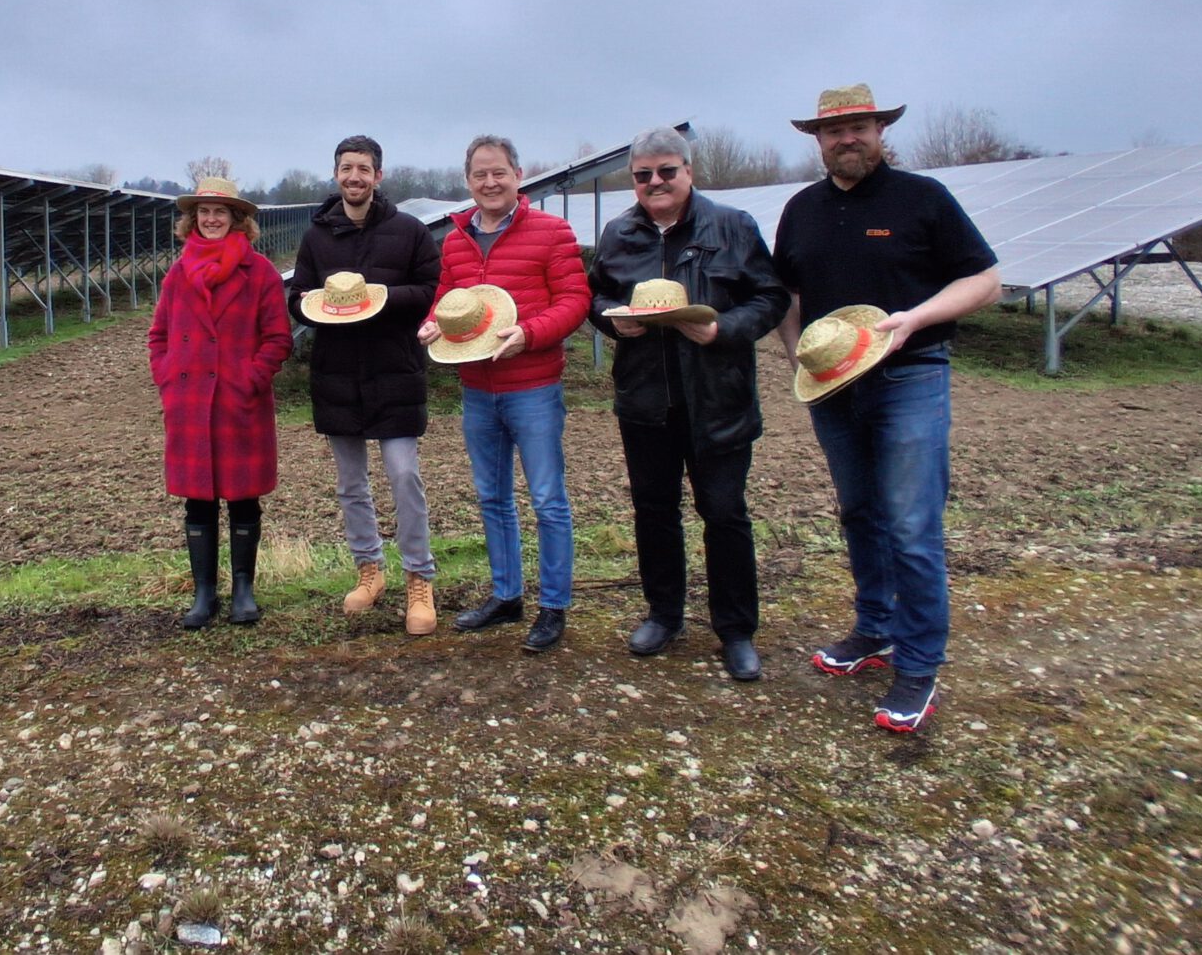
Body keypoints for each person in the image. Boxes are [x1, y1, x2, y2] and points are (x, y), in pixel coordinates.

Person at [773, 85, 1001, 732]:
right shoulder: (803, 209)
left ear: (879, 131)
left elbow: (986, 280)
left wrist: (917, 319)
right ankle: (875, 628)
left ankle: (919, 661)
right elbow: (787, 290)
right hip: (835, 384)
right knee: (860, 511)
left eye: (859, 126)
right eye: (834, 130)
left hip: (909, 374)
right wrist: (796, 352)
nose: (847, 138)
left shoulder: (921, 199)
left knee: (910, 523)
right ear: (818, 140)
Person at [586, 126, 789, 679]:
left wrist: (724, 328)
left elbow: (770, 297)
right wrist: (613, 322)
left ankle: (736, 629)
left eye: (666, 171)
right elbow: (596, 295)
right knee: (654, 512)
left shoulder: (731, 227)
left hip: (717, 399)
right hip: (645, 400)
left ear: (689, 172)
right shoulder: (619, 233)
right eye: (643, 175)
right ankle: (665, 613)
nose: (655, 182)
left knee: (723, 514)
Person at [418, 134, 590, 653]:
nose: (490, 183)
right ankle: (506, 595)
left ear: (518, 175)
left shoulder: (552, 232)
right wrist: (431, 324)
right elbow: (448, 301)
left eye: (499, 173)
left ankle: (554, 604)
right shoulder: (455, 241)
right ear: (467, 181)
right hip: (477, 389)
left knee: (546, 499)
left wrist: (530, 334)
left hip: (533, 386)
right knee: (492, 496)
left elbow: (576, 299)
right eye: (479, 175)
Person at [287, 134, 443, 635]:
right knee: (351, 484)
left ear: (379, 176)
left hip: (394, 367)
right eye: (345, 168)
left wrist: (377, 300)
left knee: (403, 475)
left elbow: (429, 290)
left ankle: (419, 577)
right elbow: (298, 297)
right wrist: (317, 304)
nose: (354, 177)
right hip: (338, 370)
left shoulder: (409, 230)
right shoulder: (317, 236)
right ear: (335, 174)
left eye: (364, 169)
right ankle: (369, 571)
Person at [147, 176, 293, 629]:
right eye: (204, 213)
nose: (212, 219)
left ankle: (243, 590)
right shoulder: (177, 273)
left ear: (237, 220)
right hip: (191, 401)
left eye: (221, 213)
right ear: (193, 219)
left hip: (237, 402)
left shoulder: (261, 272)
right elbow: (159, 336)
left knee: (243, 498)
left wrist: (250, 379)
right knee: (198, 500)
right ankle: (203, 593)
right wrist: (168, 378)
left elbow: (277, 338)